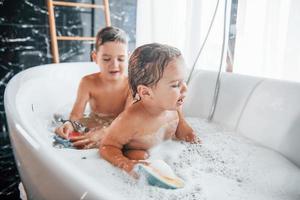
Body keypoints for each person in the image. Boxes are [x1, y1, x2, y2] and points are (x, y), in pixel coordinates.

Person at [99, 43, 198, 175]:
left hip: (164, 151)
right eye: (175, 85)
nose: (185, 88)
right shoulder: (130, 119)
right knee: (140, 156)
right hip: (137, 151)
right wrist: (124, 163)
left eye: (183, 81)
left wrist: (191, 138)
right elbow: (108, 146)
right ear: (146, 93)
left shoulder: (174, 106)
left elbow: (181, 126)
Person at [55, 26, 131, 148]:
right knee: (74, 143)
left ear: (128, 57)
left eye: (121, 59)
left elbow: (128, 120)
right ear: (95, 58)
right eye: (106, 59)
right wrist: (69, 124)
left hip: (120, 128)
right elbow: (76, 115)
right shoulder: (88, 83)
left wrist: (107, 131)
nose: (114, 65)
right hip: (94, 123)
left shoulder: (130, 86)